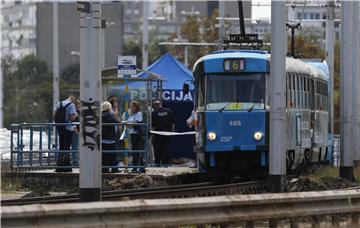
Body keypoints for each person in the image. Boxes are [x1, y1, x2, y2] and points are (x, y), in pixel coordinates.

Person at [54, 95, 77, 172]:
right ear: (73, 99)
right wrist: (75, 115)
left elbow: (54, 115)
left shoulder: (59, 103)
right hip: (68, 128)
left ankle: (59, 166)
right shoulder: (71, 105)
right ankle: (66, 166)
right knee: (67, 147)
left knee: (61, 146)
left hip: (60, 128)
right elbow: (72, 118)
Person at [151, 100, 175, 166]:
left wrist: (152, 135)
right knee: (166, 148)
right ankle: (165, 163)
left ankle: (158, 162)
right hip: (167, 133)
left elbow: (153, 125)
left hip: (158, 134)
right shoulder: (169, 111)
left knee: (157, 148)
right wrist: (172, 132)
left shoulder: (154, 113)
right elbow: (173, 123)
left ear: (155, 105)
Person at [126, 101, 145, 173]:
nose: (131, 108)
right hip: (132, 134)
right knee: (134, 151)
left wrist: (129, 123)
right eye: (130, 106)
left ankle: (140, 167)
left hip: (137, 134)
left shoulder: (139, 113)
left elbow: (137, 122)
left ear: (136, 107)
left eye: (132, 106)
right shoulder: (131, 114)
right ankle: (136, 167)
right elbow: (128, 123)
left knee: (137, 151)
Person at [101, 101, 119, 173]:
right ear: (109, 107)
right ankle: (114, 169)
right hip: (109, 138)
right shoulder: (109, 114)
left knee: (104, 155)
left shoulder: (101, 115)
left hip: (103, 138)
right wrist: (121, 123)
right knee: (112, 155)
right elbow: (115, 121)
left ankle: (105, 169)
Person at [70, 99, 80, 166]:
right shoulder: (75, 112)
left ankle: (75, 160)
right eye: (79, 104)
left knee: (75, 146)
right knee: (75, 146)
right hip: (75, 132)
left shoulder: (77, 112)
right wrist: (77, 132)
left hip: (76, 131)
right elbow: (73, 124)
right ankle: (75, 161)